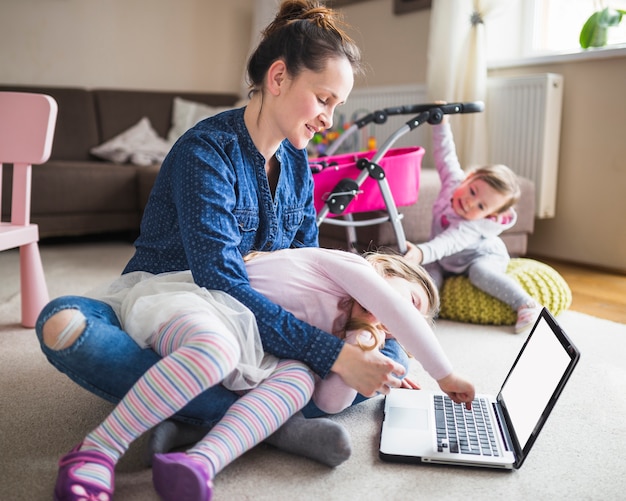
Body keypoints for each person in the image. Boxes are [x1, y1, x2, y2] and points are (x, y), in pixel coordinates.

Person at [36, 0, 405, 480]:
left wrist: (360, 325)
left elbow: (306, 264)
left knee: (385, 348)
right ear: (278, 79)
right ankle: (260, 422)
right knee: (82, 330)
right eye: (323, 99)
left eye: (336, 106)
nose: (328, 121)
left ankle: (195, 420)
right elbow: (221, 279)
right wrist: (333, 355)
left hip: (256, 310)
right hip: (181, 296)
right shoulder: (206, 151)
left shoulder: (297, 165)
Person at [52, 246, 474, 500]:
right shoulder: (348, 267)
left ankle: (200, 462)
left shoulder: (347, 328)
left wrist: (365, 345)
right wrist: (446, 375)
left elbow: (329, 403)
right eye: (412, 307)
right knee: (213, 352)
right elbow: (396, 310)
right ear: (390, 271)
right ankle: (98, 451)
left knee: (301, 381)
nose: (392, 325)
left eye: (395, 328)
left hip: (260, 350)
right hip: (206, 306)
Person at [404, 113, 543, 333]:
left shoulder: (471, 226)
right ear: (469, 177)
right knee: (428, 276)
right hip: (446, 260)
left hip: (480, 255)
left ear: (489, 216)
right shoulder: (453, 181)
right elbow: (446, 155)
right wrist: (441, 125)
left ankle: (526, 304)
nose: (469, 204)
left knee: (480, 273)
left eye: (481, 207)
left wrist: (420, 252)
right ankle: (423, 316)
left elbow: (446, 243)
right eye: (472, 191)